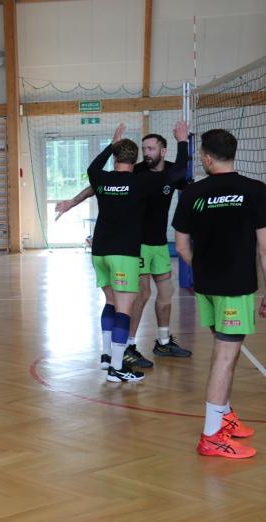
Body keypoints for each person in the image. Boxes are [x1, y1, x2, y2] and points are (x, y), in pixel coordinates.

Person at [172, 129, 266, 459]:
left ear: (206, 157)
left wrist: (203, 269)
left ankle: (225, 417)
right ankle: (211, 437)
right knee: (226, 356)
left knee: (224, 350)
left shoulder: (192, 192)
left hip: (206, 287)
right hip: (235, 287)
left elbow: (181, 246)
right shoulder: (256, 190)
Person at [55, 127, 193, 366]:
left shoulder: (170, 171)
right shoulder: (137, 173)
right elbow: (96, 186)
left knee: (166, 292)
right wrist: (73, 202)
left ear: (163, 151)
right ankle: (128, 345)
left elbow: (188, 185)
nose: (146, 153)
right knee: (140, 294)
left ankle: (163, 341)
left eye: (151, 148)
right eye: (144, 148)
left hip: (159, 242)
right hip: (136, 244)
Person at [87, 124, 153, 383]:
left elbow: (93, 166)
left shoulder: (100, 178)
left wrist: (111, 145)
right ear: (135, 160)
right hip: (123, 253)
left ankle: (106, 356)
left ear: (114, 157)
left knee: (111, 302)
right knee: (124, 308)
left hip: (99, 251)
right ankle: (117, 368)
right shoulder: (141, 182)